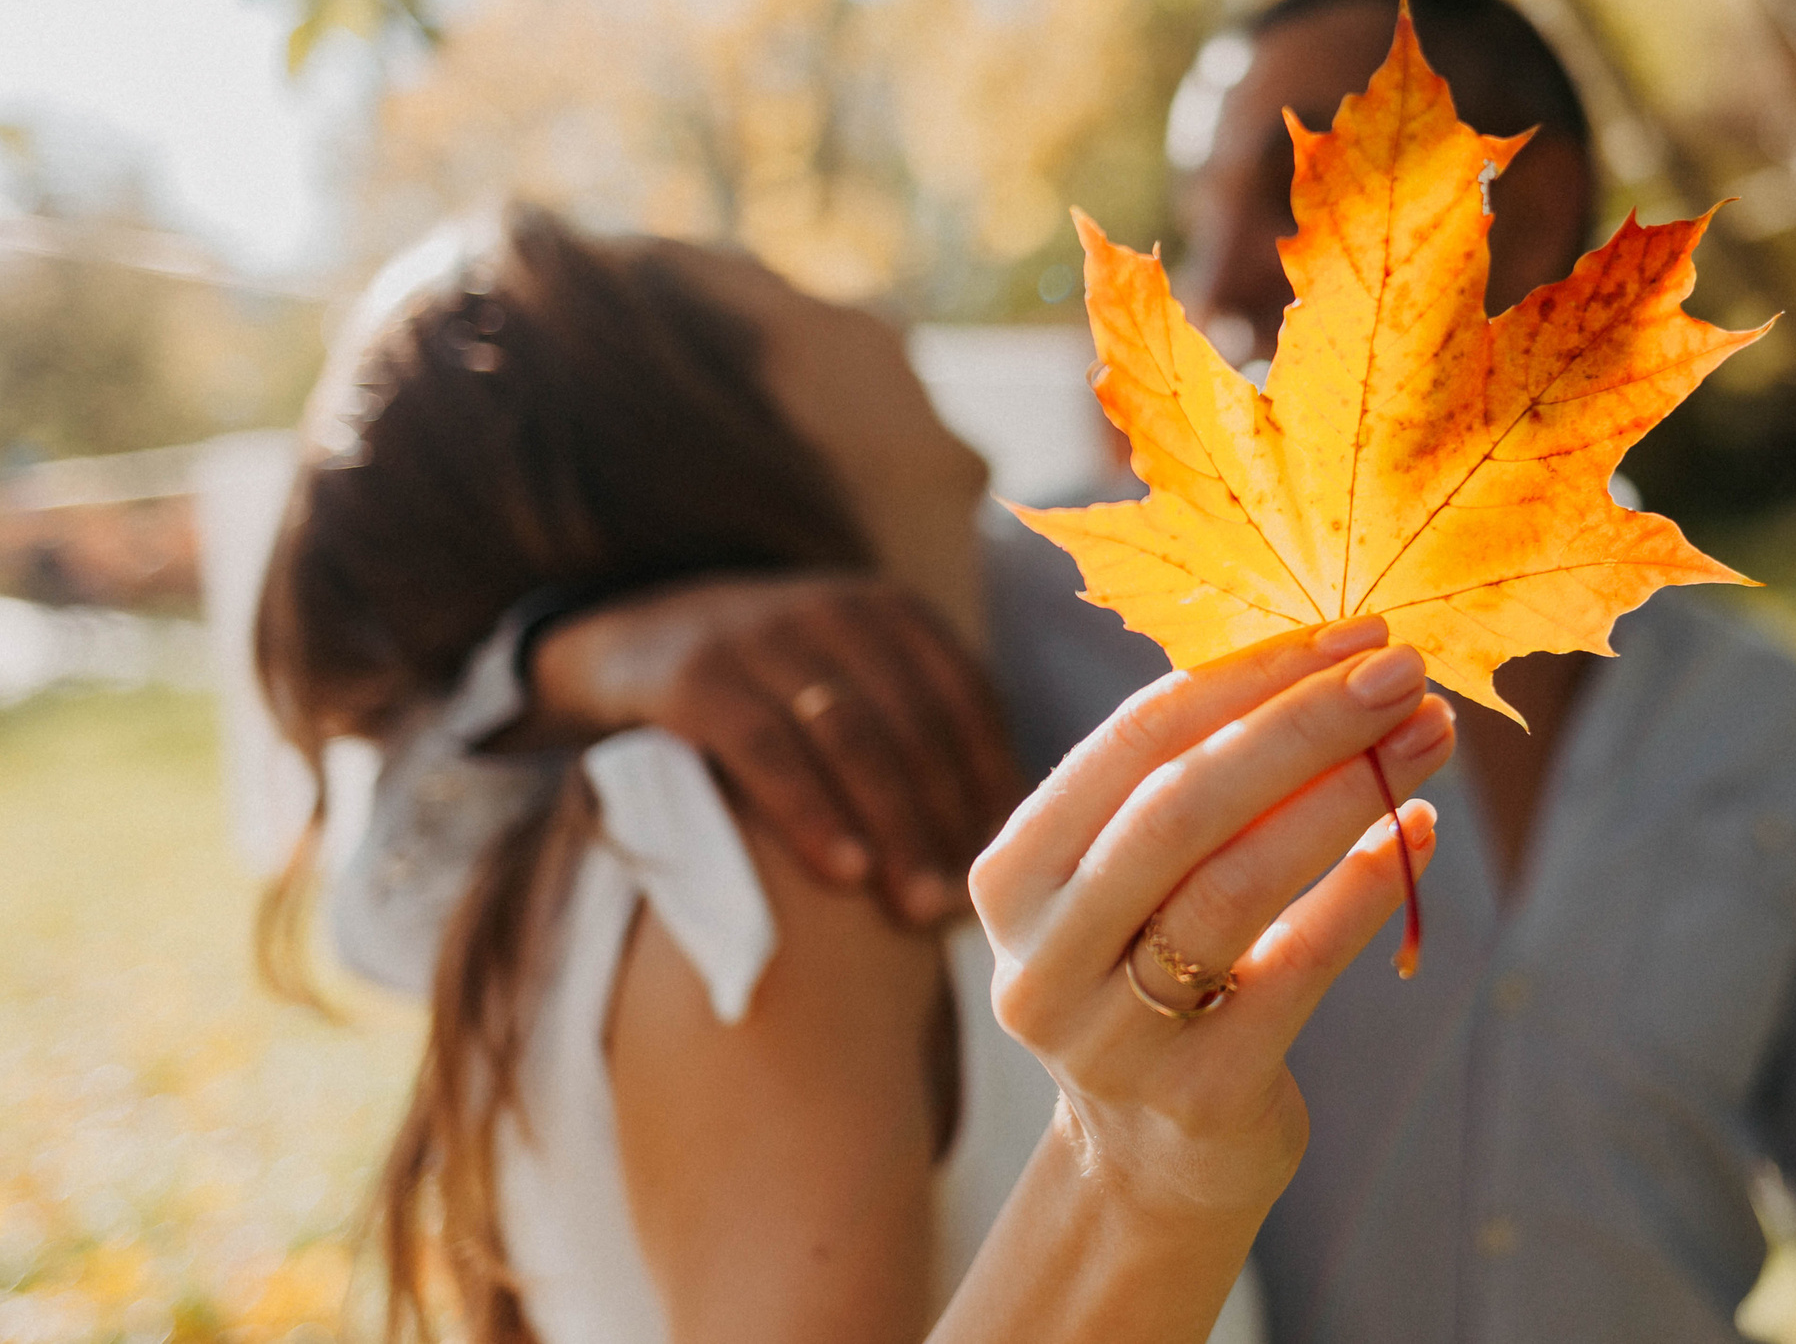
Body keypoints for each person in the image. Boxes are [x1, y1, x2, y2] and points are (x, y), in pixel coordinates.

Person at [339, 0, 1796, 1343]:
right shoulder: (1028, 622)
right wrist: (588, 646)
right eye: (1179, 234)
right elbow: (410, 870)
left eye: (1259, 220)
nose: (1188, 308)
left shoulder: (1769, 735)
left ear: (1512, 229)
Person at [256, 214, 1458, 1344]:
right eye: (794, 287)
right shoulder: (769, 831)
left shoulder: (1000, 615)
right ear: (718, 426)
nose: (874, 307)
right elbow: (375, 907)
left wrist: (557, 659)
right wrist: (1144, 1178)